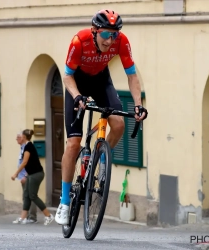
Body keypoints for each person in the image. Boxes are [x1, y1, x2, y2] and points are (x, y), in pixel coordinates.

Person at [54, 9, 148, 225]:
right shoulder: (79, 41)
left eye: (114, 35)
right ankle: (65, 201)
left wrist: (138, 105)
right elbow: (67, 75)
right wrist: (77, 96)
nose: (110, 40)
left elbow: (131, 75)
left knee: (118, 124)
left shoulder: (121, 42)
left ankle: (103, 157)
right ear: (95, 31)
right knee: (73, 144)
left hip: (100, 80)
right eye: (106, 34)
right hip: (76, 82)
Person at [11, 129, 54, 226]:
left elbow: (25, 162)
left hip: (36, 174)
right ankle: (23, 217)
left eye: (21, 136)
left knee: (33, 195)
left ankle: (48, 215)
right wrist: (25, 175)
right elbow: (29, 163)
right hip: (31, 174)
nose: (19, 138)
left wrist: (16, 174)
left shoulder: (28, 147)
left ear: (24, 137)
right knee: (26, 195)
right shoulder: (27, 146)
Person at [16, 132, 37, 223]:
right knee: (26, 197)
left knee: (30, 197)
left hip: (27, 176)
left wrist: (25, 176)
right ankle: (27, 216)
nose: (16, 139)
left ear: (23, 138)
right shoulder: (23, 148)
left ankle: (32, 217)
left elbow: (29, 163)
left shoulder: (26, 148)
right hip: (24, 177)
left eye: (18, 137)